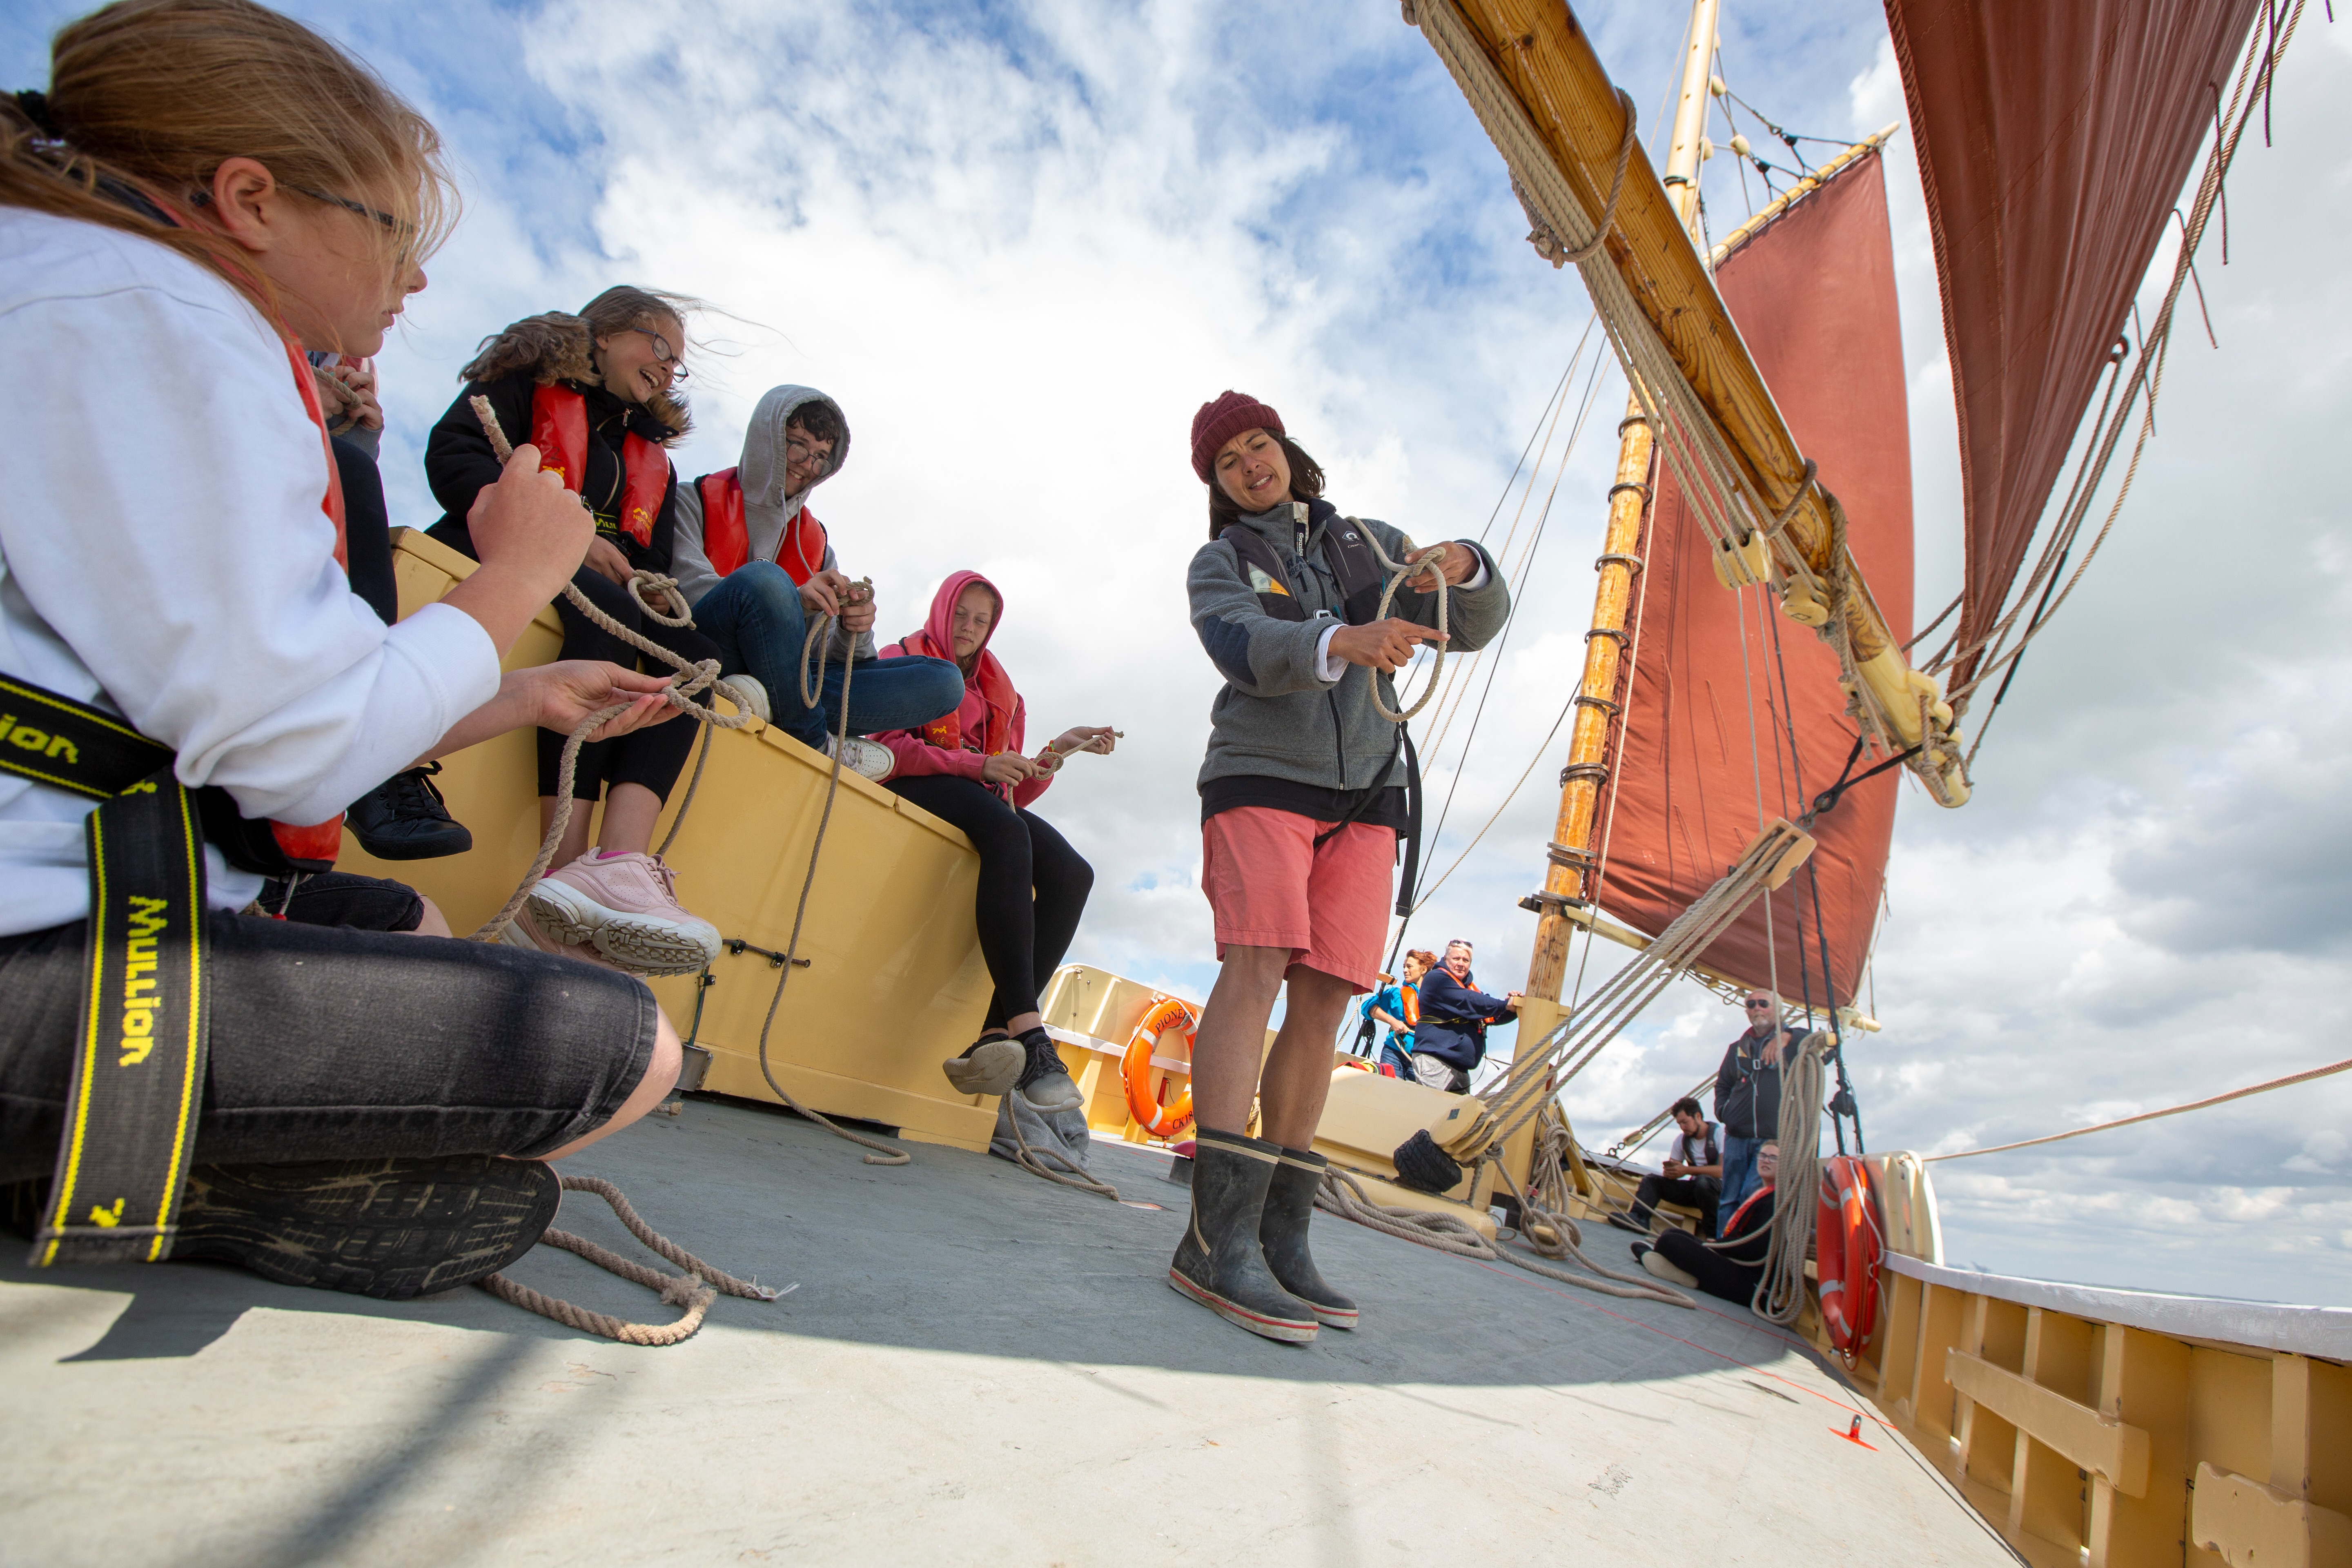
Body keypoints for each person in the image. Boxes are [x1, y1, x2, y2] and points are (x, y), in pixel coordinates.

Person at [1, 0, 682, 1299]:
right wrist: (517, 578)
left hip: (84, 868)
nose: (414, 282)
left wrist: (527, 689)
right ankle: (121, 1173)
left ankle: (236, 1165)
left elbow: (233, 707)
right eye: (396, 237)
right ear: (250, 199)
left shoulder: (86, 282)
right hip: (38, 943)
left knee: (404, 918)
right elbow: (299, 755)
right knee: (628, 1046)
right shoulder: (157, 316)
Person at [1173, 389, 1511, 1343]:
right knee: (1256, 966)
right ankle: (1212, 1237)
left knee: (1325, 997)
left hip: (1369, 790)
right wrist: (1338, 640)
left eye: (1258, 445)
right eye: (1228, 460)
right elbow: (1240, 644)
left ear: (1285, 449)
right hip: (1260, 773)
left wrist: (1465, 565)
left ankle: (1281, 1235)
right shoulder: (1220, 562)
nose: (1250, 464)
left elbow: (1472, 621)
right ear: (1218, 484)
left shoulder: (1371, 543)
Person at [423, 285, 725, 976]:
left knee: (695, 659)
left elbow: (651, 564)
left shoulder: (654, 457)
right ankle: (560, 878)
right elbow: (454, 457)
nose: (669, 368)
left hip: (600, 587)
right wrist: (569, 535)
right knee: (610, 618)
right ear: (606, 332)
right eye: (660, 346)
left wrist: (637, 574)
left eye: (677, 363)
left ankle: (618, 864)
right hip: (497, 546)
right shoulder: (526, 380)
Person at [872, 572, 1112, 1107]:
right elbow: (886, 748)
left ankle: (993, 1033)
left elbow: (1010, 793)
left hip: (977, 801)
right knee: (1005, 830)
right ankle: (1029, 1032)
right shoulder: (901, 658)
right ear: (942, 610)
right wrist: (975, 765)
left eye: (981, 621)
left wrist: (1057, 750)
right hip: (913, 782)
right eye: (961, 614)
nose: (968, 627)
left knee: (1073, 873)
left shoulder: (1004, 695)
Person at [670, 385, 963, 780]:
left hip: (795, 681)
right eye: (798, 446)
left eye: (821, 457)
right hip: (712, 652)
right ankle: (814, 741)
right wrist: (792, 601)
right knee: (765, 580)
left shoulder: (818, 544)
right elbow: (684, 595)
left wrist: (853, 628)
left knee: (944, 681)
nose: (808, 465)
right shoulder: (691, 499)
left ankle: (769, 701)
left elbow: (841, 660)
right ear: (767, 438)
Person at [1634, 1141, 1778, 1307]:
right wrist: (1716, 1245)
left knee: (1669, 1242)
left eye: (1773, 1158)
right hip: (1734, 1261)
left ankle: (1689, 1277)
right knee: (1671, 1234)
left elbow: (1757, 1249)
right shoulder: (1765, 1195)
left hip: (1751, 1283)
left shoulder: (1775, 1203)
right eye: (1763, 1156)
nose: (1766, 1161)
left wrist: (1718, 1246)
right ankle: (1680, 1271)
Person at [1713, 990, 1800, 1232]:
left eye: (1763, 1003)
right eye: (1751, 1005)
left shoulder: (1793, 1045)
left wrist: (1787, 1036)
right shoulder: (1737, 1049)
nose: (1757, 1008)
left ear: (1778, 1010)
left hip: (1771, 1140)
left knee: (1752, 1195)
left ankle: (1741, 1246)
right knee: (1728, 1198)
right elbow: (1723, 1085)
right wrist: (1724, 1113)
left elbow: (1827, 1047)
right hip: (1737, 1136)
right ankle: (1723, 1245)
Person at [1410, 938, 1520, 1093]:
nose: (1461, 964)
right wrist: (1503, 1005)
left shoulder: (1468, 988)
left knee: (1460, 1110)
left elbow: (1492, 1016)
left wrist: (1512, 1009)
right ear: (1446, 959)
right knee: (1431, 1106)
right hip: (1436, 1060)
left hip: (1460, 1066)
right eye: (1456, 959)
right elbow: (1468, 1000)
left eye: (1466, 960)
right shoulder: (1437, 979)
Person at [1608, 1096, 1722, 1236]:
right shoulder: (1681, 1141)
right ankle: (1639, 1218)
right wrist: (1671, 1172)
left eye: (1685, 1122)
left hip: (1718, 1192)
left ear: (1698, 1116)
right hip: (1696, 1190)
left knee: (1703, 1183)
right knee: (1652, 1181)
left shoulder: (1720, 1134)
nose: (1683, 1127)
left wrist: (1686, 1170)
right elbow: (1674, 1171)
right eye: (1679, 1124)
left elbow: (1723, 1171)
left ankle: (1713, 1234)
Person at [1360, 949, 1434, 1078]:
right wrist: (1393, 1022)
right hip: (1393, 1052)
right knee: (1389, 1088)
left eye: (1409, 967)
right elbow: (1367, 1006)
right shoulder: (1396, 994)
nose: (1405, 970)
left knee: (1414, 1091)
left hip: (1422, 1057)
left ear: (1423, 970)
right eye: (1404, 967)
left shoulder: (1436, 998)